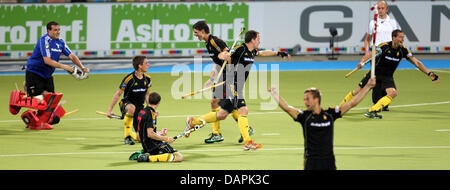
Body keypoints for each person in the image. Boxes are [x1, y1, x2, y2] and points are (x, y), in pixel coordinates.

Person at [185, 30, 290, 150]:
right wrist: (223, 56)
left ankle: (193, 122)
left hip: (237, 85)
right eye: (258, 38)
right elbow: (224, 54)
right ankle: (248, 142)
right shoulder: (240, 48)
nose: (260, 41)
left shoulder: (252, 51)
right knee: (243, 110)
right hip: (231, 85)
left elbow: (263, 53)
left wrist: (278, 53)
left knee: (222, 114)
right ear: (252, 39)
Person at [269, 77, 376, 170]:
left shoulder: (330, 114)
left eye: (307, 99)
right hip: (311, 162)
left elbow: (352, 103)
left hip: (328, 161)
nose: (305, 102)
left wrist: (367, 87)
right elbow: (287, 108)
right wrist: (274, 93)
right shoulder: (304, 116)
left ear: (316, 99)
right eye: (304, 99)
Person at [340, 29, 439, 119]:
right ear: (393, 38)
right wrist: (362, 63)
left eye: (403, 37)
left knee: (393, 92)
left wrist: (429, 73)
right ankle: (339, 108)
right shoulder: (384, 47)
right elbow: (370, 55)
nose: (402, 40)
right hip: (374, 74)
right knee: (357, 91)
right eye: (400, 37)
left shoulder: (403, 50)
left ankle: (372, 111)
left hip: (387, 77)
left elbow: (417, 62)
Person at [9, 21, 89, 130]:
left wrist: (82, 67)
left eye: (59, 30)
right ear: (49, 31)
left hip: (47, 75)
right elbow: (47, 60)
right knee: (39, 101)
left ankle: (36, 121)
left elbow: (72, 56)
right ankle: (28, 91)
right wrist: (66, 68)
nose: (58, 32)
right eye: (55, 30)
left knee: (50, 99)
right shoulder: (44, 40)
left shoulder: (60, 42)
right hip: (34, 73)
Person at [193, 20, 240, 144]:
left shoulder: (215, 41)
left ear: (203, 31)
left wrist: (229, 74)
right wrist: (211, 79)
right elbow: (217, 62)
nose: (195, 35)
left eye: (196, 32)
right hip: (223, 73)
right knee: (217, 102)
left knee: (223, 103)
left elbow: (227, 55)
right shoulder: (207, 43)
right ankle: (218, 133)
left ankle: (219, 133)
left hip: (229, 73)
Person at [359, 0, 400, 111]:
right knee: (377, 77)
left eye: (382, 8)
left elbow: (396, 39)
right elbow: (367, 39)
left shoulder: (392, 23)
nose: (380, 10)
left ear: (387, 9)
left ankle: (382, 102)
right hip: (377, 55)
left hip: (388, 56)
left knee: (386, 77)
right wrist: (367, 52)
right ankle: (379, 102)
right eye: (379, 8)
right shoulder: (373, 23)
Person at [107, 56, 152, 145]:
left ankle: (131, 134)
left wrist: (150, 108)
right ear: (140, 66)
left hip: (140, 108)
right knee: (132, 108)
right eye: (146, 63)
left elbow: (147, 94)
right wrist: (110, 110)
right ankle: (127, 137)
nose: (148, 64)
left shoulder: (148, 79)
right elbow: (118, 94)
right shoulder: (129, 79)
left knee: (140, 138)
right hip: (126, 104)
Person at [134, 92, 183, 163]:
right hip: (153, 145)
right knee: (179, 157)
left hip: (147, 144)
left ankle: (145, 153)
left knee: (172, 152)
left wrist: (159, 133)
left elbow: (143, 132)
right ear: (159, 102)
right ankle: (148, 158)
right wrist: (167, 139)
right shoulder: (150, 114)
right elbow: (150, 134)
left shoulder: (142, 111)